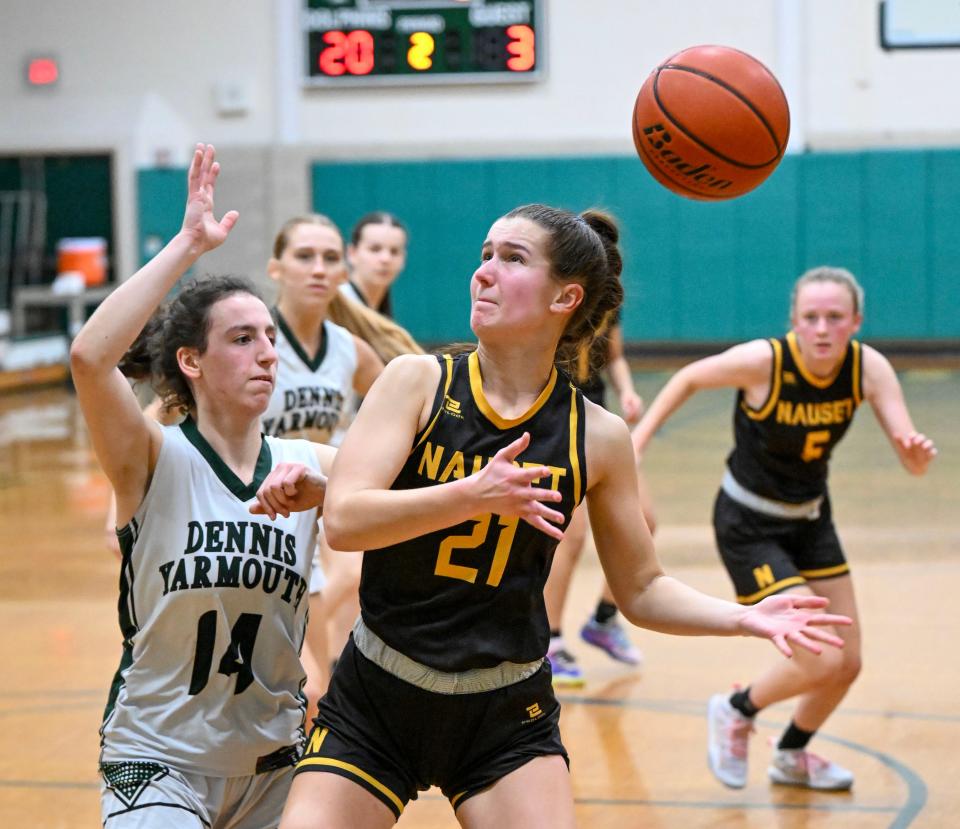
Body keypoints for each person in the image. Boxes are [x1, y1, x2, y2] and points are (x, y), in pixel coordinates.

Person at [257, 204, 850, 828]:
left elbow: (642, 588)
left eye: (512, 259)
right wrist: (472, 494)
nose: (484, 272)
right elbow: (346, 518)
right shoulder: (417, 380)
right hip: (379, 694)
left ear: (566, 297)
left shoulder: (597, 436)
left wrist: (743, 617)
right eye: (485, 254)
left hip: (505, 713)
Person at [71, 144, 335, 828]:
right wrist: (187, 246)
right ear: (190, 360)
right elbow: (91, 357)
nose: (267, 352)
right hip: (156, 757)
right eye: (242, 338)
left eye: (270, 337)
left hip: (274, 763)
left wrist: (331, 489)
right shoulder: (151, 457)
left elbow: (409, 489)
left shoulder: (312, 462)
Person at [631, 266, 937, 792]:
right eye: (810, 317)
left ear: (856, 322)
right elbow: (687, 378)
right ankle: (735, 708)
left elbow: (913, 462)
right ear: (792, 321)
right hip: (749, 522)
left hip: (813, 519)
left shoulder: (869, 369)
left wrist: (914, 455)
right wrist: (636, 440)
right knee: (822, 656)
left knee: (849, 662)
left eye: (834, 318)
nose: (821, 328)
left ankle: (791, 756)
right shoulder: (764, 362)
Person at [544, 321, 650, 686]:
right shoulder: (555, 292)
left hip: (598, 420)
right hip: (558, 423)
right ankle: (550, 642)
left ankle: (603, 619)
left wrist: (628, 390)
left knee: (645, 520)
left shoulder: (608, 300)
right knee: (569, 538)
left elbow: (615, 357)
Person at [340, 211, 408, 318]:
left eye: (394, 251)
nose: (386, 259)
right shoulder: (335, 306)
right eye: (375, 249)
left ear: (403, 258)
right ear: (352, 253)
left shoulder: (382, 311)